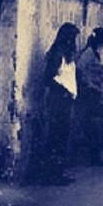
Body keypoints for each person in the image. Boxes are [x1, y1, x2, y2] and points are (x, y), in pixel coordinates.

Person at [40, 22, 80, 185]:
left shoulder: (67, 54)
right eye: (73, 38)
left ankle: (58, 173)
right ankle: (52, 175)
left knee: (62, 136)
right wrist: (64, 90)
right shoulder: (57, 54)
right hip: (58, 99)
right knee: (56, 136)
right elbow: (47, 78)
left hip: (66, 99)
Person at [76, 27, 103, 167]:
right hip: (88, 94)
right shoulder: (89, 53)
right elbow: (80, 69)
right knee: (98, 123)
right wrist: (89, 83)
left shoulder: (94, 53)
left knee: (91, 126)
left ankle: (95, 156)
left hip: (93, 93)